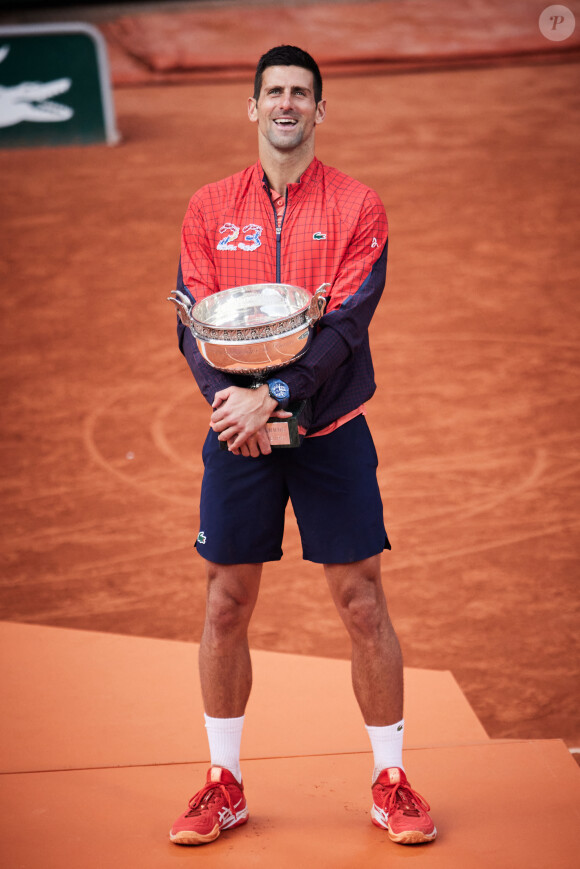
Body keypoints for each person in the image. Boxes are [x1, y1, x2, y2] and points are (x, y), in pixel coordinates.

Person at [169, 44, 436, 848]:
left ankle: (391, 779)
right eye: (274, 92)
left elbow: (348, 326)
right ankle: (225, 781)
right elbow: (193, 319)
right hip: (236, 431)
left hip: (332, 429)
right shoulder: (210, 208)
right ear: (252, 108)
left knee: (361, 600)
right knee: (225, 602)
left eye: (301, 94)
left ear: (321, 110)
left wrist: (277, 395)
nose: (287, 104)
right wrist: (232, 404)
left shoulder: (359, 207)